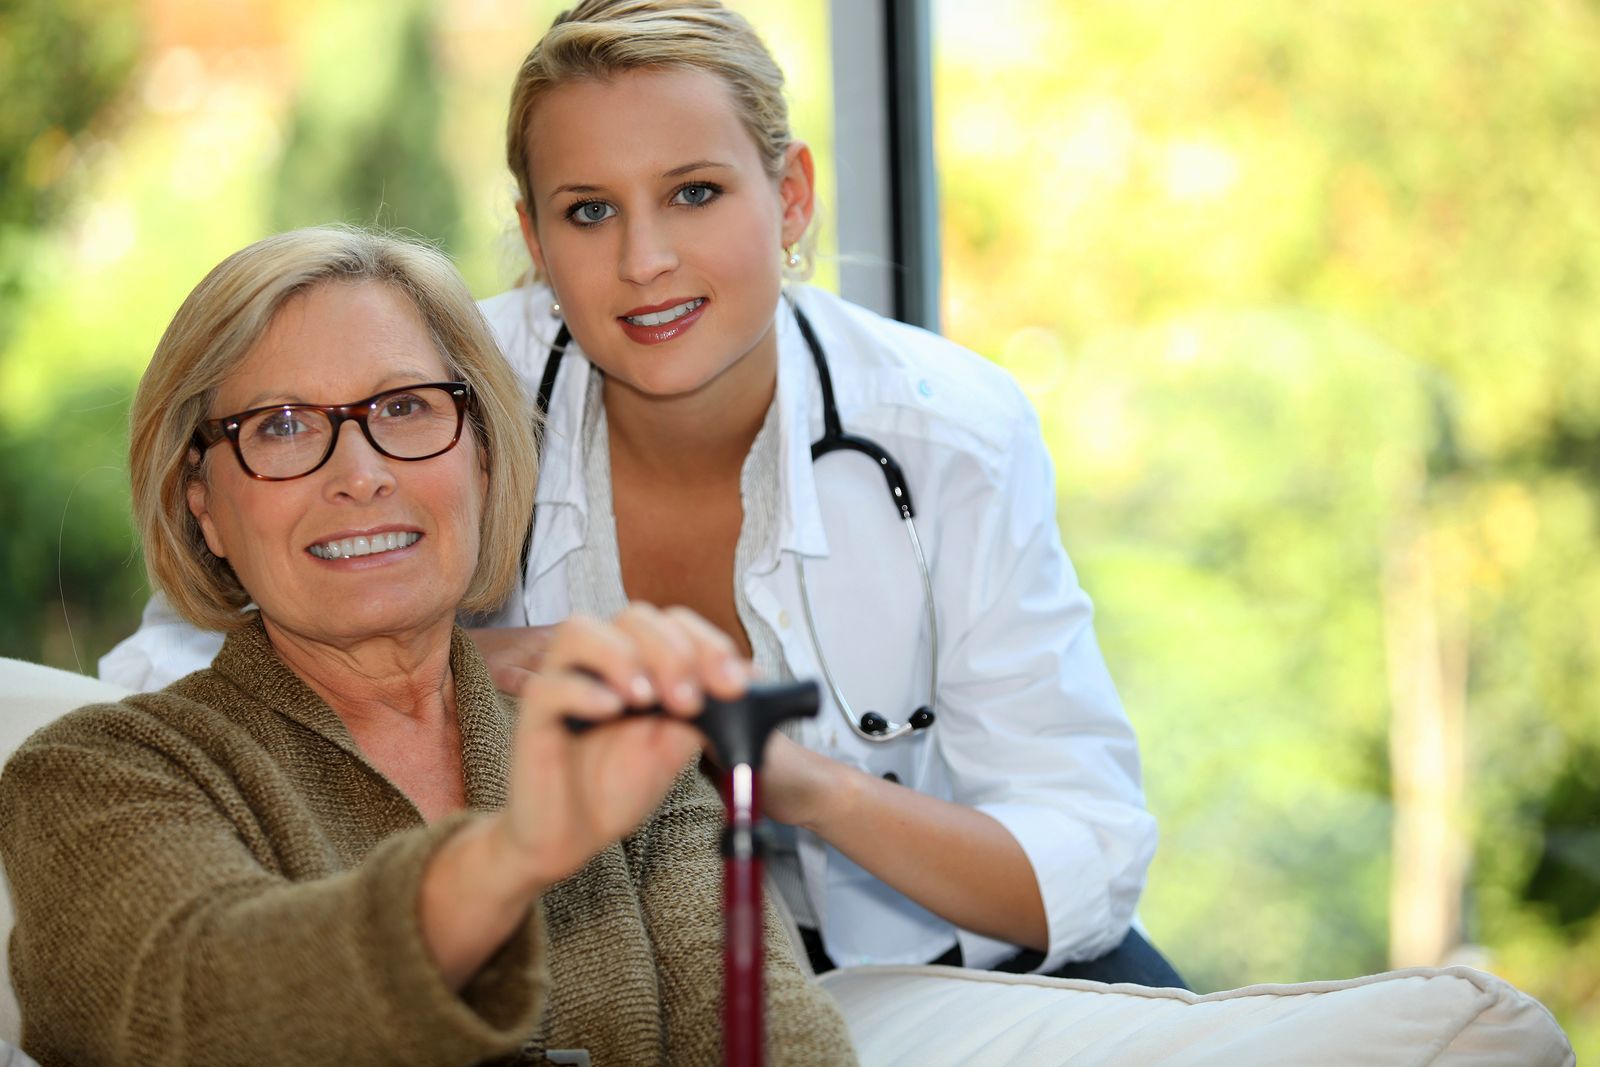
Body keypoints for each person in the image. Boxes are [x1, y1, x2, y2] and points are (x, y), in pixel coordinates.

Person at [100, 0, 1181, 986]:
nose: (645, 260)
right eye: (587, 212)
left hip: (960, 964)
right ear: (532, 240)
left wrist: (785, 776)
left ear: (791, 194)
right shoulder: (433, 397)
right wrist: (467, 661)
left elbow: (1081, 853)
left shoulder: (951, 431)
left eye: (694, 193)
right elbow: (169, 675)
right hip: (618, 954)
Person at [0, 227, 856, 1066]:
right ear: (203, 503)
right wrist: (516, 852)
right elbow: (203, 1011)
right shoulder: (95, 773)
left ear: (482, 457)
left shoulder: (628, 754)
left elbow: (780, 1042)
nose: (360, 471)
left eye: (403, 407)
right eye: (285, 424)